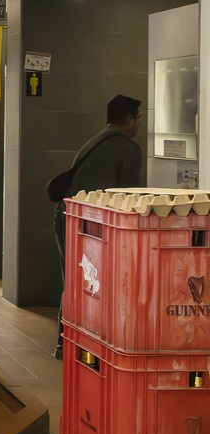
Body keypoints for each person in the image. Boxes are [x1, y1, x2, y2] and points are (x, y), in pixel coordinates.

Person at [53, 94, 143, 358]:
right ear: (129, 119)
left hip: (65, 213)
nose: (139, 124)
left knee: (73, 281)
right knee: (90, 283)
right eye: (138, 118)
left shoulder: (99, 139)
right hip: (88, 223)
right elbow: (130, 197)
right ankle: (79, 343)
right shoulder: (127, 148)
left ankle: (65, 342)